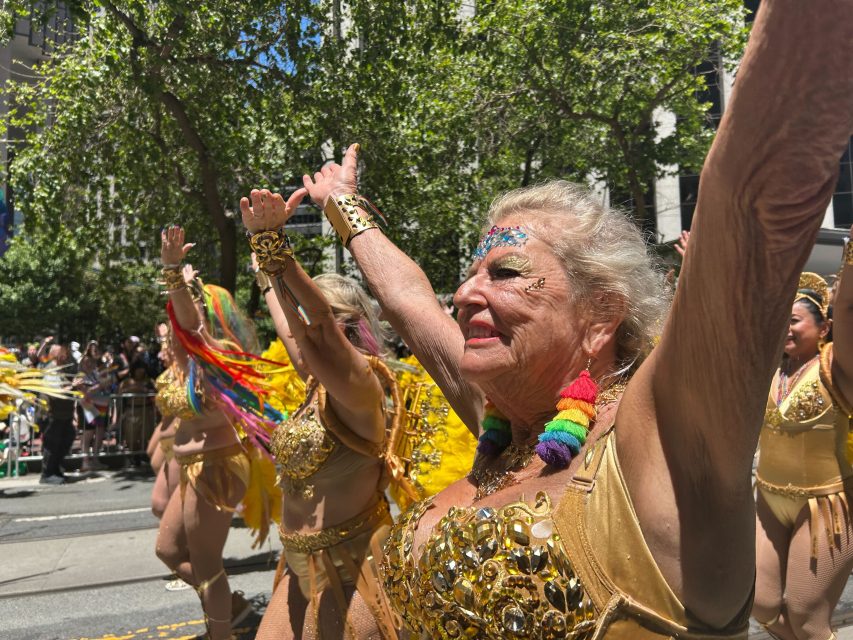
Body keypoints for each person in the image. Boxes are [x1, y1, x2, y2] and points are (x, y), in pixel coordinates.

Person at [246, 3, 853, 637]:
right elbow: (411, 301)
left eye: (503, 274)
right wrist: (342, 206)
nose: (465, 294)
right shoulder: (501, 428)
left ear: (600, 315)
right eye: (472, 273)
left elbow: (752, 189)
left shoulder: (663, 440)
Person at [238, 238, 402, 638]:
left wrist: (277, 249)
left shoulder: (362, 386)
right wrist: (265, 270)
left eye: (307, 322)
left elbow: (316, 323)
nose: (298, 333)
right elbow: (288, 323)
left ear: (342, 325)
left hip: (352, 570)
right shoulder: (316, 380)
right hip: (298, 563)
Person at [155, 227, 281, 640]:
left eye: (192, 303)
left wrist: (173, 271)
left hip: (216, 467)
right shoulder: (185, 361)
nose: (180, 311)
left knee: (208, 564)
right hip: (189, 465)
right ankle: (233, 610)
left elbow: (190, 326)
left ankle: (221, 633)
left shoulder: (217, 354)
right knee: (168, 551)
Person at [752, 268, 852, 640]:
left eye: (793, 321)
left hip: (825, 506)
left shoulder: (836, 368)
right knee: (760, 604)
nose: (785, 329)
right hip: (768, 498)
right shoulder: (772, 370)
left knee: (807, 618)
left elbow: (850, 312)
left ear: (824, 328)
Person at [39, 344, 77, 485]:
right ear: (56, 354)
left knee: (66, 439)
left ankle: (56, 470)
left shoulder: (60, 370)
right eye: (63, 353)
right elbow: (55, 392)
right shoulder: (51, 369)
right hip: (53, 414)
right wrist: (72, 386)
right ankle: (47, 474)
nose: (66, 356)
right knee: (52, 444)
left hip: (63, 414)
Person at [73, 341, 111, 472]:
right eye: (86, 361)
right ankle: (85, 461)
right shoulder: (80, 375)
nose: (89, 363)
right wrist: (100, 386)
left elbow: (107, 380)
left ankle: (95, 459)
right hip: (87, 404)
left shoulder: (100, 367)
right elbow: (85, 391)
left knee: (100, 431)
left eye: (96, 349)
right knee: (88, 432)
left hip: (101, 402)